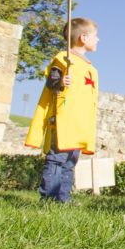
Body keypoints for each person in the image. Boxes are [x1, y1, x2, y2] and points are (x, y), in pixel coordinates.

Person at [25, 17, 100, 203]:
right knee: (57, 159)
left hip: (78, 124)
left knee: (70, 162)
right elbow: (51, 82)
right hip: (64, 120)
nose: (98, 40)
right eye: (95, 36)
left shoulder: (89, 67)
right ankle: (49, 198)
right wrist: (60, 81)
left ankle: (63, 198)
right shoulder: (64, 59)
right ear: (83, 37)